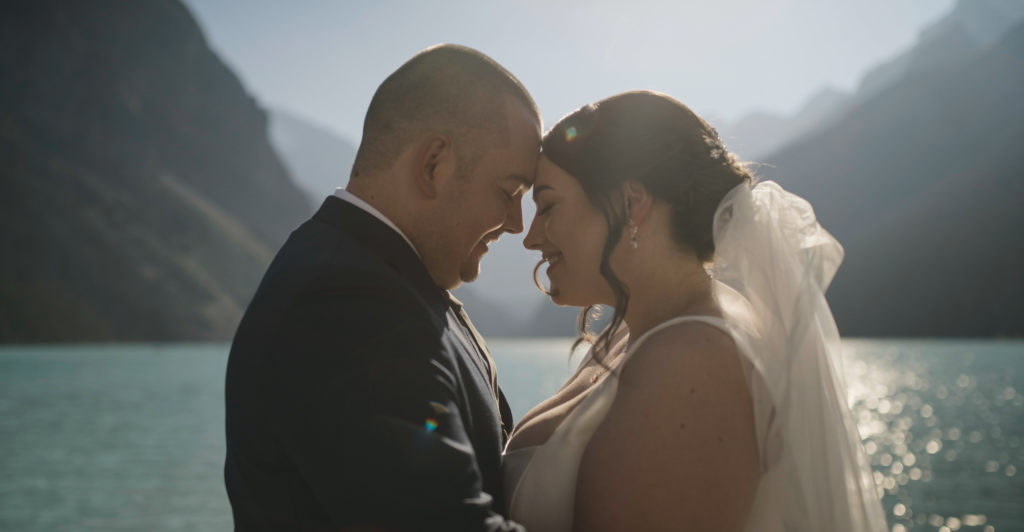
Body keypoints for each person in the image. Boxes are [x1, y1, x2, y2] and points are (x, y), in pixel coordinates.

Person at [503, 91, 887, 531]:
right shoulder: (638, 334)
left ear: (631, 203)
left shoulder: (691, 361)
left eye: (548, 205)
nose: (530, 238)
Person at [224, 44, 540, 531]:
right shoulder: (346, 306)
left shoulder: (384, 278)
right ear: (434, 163)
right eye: (509, 193)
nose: (517, 225)